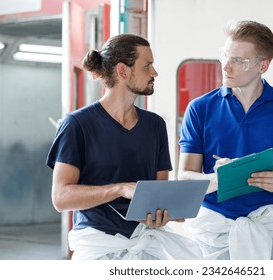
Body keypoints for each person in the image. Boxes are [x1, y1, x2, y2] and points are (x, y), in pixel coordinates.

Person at [46, 34, 202, 260]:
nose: (154, 73)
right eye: (147, 65)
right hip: (97, 250)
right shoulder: (78, 124)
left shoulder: (155, 125)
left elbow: (159, 192)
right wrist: (120, 189)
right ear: (123, 71)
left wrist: (162, 213)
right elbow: (60, 198)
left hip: (147, 246)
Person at [178, 20, 273, 260]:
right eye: (225, 55)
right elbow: (185, 177)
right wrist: (217, 179)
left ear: (262, 66)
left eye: (238, 61)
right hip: (215, 234)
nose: (226, 66)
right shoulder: (199, 109)